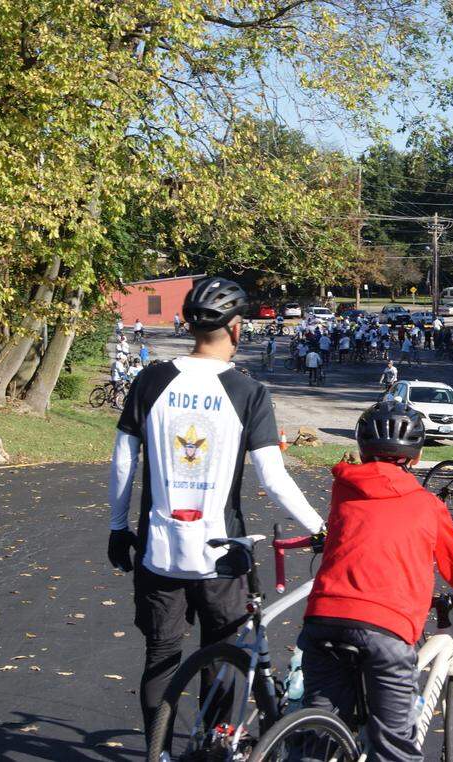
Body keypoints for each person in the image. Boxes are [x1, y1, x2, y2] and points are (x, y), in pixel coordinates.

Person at [107, 276, 324, 749]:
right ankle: (211, 748)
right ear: (235, 327)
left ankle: (159, 752)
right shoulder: (247, 391)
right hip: (222, 552)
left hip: (159, 547)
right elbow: (273, 477)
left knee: (161, 656)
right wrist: (321, 527)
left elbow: (124, 458)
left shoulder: (151, 379)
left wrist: (117, 527)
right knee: (223, 657)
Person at [298, 400, 453, 762]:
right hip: (386, 628)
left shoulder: (343, 489)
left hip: (324, 618)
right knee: (393, 750)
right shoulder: (427, 505)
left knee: (317, 740)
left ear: (362, 448)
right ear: (417, 457)